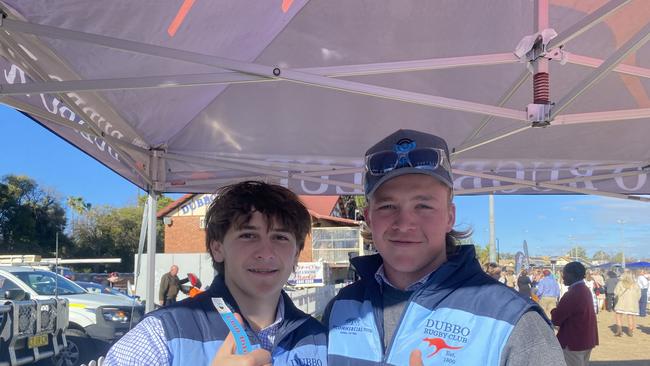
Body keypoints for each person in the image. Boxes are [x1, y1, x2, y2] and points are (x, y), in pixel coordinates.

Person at [323, 129, 565, 365]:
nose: (405, 223)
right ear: (369, 217)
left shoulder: (514, 321)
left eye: (423, 206)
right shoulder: (341, 307)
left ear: (450, 216)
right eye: (387, 206)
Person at [105, 181, 327, 365]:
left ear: (297, 252)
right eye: (248, 235)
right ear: (217, 247)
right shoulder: (161, 333)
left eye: (280, 237)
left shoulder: (318, 339)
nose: (266, 253)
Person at [551, 262, 598, 366]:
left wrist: (553, 310)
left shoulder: (572, 293)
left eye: (565, 273)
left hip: (573, 341)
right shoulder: (585, 290)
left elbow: (556, 320)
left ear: (572, 274)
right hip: (586, 339)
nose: (563, 277)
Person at [614, 270, 642, 337]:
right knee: (630, 317)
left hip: (621, 303)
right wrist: (635, 300)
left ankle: (619, 331)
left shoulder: (620, 283)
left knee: (618, 316)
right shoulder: (636, 284)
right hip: (632, 304)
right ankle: (630, 331)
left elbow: (616, 292)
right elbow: (639, 295)